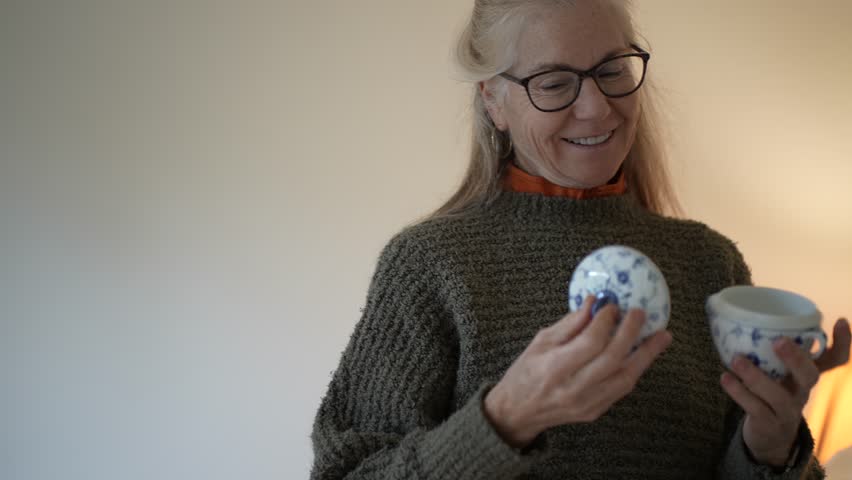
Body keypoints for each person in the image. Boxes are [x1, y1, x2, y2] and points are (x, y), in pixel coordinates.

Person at [309, 1, 851, 478]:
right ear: (493, 101)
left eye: (612, 70)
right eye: (553, 82)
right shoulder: (429, 266)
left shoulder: (708, 263)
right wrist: (505, 419)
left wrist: (771, 446)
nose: (596, 107)